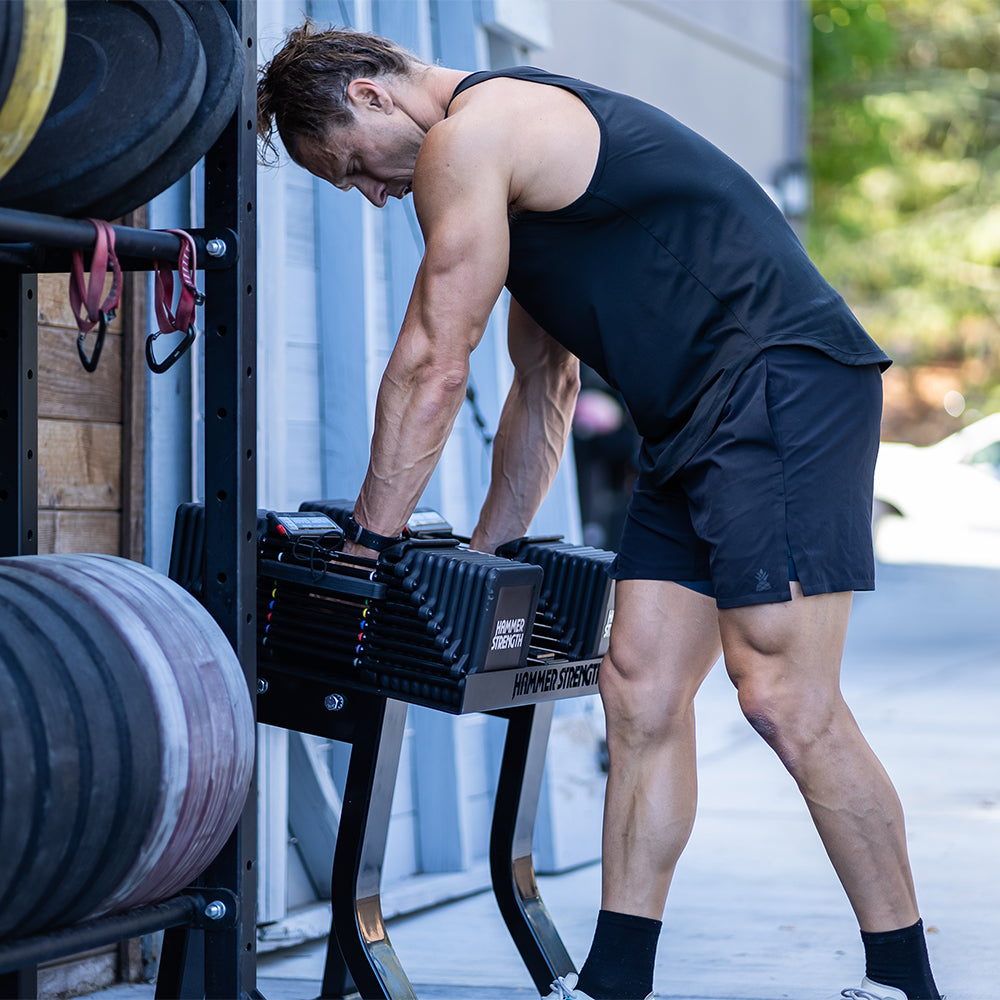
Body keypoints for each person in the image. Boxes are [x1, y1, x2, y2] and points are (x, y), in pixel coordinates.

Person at [257, 23, 942, 1000]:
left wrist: (370, 542)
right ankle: (613, 982)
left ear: (371, 97)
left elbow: (429, 358)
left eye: (352, 168)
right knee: (638, 687)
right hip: (688, 417)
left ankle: (905, 982)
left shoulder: (477, 133)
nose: (371, 195)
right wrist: (489, 548)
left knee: (784, 694)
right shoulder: (507, 179)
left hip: (777, 382)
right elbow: (543, 385)